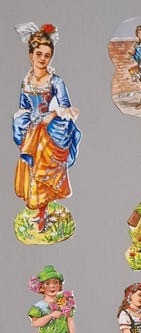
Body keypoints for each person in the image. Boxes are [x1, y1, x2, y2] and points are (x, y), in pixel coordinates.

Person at [13, 22, 81, 232]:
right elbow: (24, 107)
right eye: (39, 54)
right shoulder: (26, 82)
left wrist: (52, 115)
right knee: (32, 170)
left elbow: (66, 106)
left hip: (50, 131)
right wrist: (23, 122)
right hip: (31, 131)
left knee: (43, 170)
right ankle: (41, 212)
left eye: (47, 55)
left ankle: (44, 215)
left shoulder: (56, 81)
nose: (43, 59)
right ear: (31, 55)